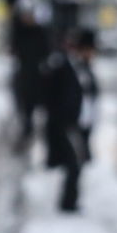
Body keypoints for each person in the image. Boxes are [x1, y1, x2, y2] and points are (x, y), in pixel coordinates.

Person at [44, 28, 99, 213]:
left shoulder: (85, 68)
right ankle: (68, 203)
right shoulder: (63, 67)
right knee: (74, 163)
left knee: (78, 163)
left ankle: (70, 201)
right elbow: (51, 98)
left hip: (81, 125)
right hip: (68, 125)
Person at [8, 0, 52, 150]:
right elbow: (13, 50)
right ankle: (27, 133)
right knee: (25, 109)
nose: (28, 18)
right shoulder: (18, 31)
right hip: (24, 76)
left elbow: (48, 52)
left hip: (40, 76)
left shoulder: (42, 32)